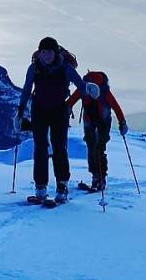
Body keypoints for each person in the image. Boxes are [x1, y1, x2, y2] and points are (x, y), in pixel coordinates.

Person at [16, 36, 84, 203]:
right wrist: (20, 112)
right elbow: (26, 89)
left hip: (59, 111)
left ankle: (61, 186)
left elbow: (80, 85)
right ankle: (41, 187)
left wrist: (89, 91)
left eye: (49, 52)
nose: (46, 55)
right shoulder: (34, 68)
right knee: (40, 147)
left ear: (55, 52)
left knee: (59, 146)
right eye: (43, 52)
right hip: (39, 110)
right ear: (39, 52)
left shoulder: (65, 68)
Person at [67, 70, 127, 193]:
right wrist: (122, 123)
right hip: (103, 121)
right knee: (99, 148)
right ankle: (100, 178)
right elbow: (116, 107)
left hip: (91, 121)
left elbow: (70, 102)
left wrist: (63, 111)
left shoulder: (83, 88)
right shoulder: (104, 91)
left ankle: (96, 177)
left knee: (93, 148)